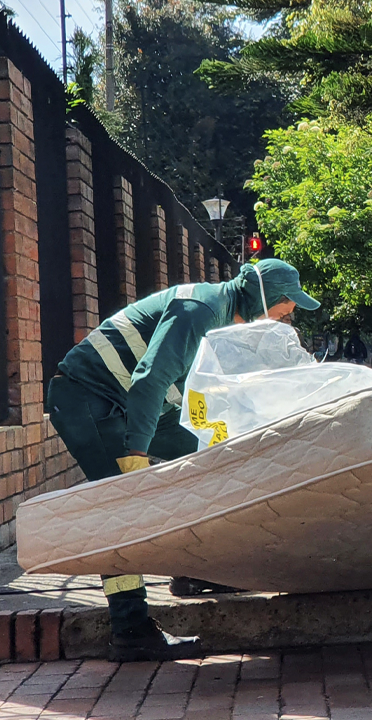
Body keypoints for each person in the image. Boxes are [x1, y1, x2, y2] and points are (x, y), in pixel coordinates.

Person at [46, 259, 320, 662]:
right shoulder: (201, 310)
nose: (289, 312)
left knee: (217, 458)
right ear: (264, 297)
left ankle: (200, 571)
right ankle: (130, 630)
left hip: (134, 403)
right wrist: (136, 455)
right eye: (286, 304)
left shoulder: (225, 317)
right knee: (121, 507)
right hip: (88, 398)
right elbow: (150, 379)